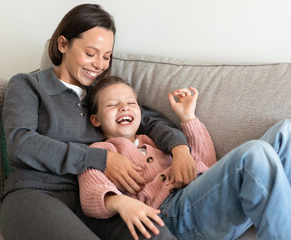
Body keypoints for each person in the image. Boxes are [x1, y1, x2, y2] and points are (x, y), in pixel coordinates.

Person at [0, 4, 193, 240]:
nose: (100, 64)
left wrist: (179, 147)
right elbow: (21, 143)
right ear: (62, 45)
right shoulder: (28, 85)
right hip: (36, 192)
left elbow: (149, 120)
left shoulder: (101, 97)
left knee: (155, 232)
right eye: (90, 53)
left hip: (94, 202)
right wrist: (101, 159)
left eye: (106, 56)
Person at [78, 76, 291, 240]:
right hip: (173, 217)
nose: (124, 107)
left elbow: (206, 164)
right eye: (112, 105)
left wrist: (188, 117)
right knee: (254, 153)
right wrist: (120, 202)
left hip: (210, 203)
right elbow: (91, 191)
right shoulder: (100, 150)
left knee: (286, 131)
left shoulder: (154, 140)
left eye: (130, 103)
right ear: (95, 119)